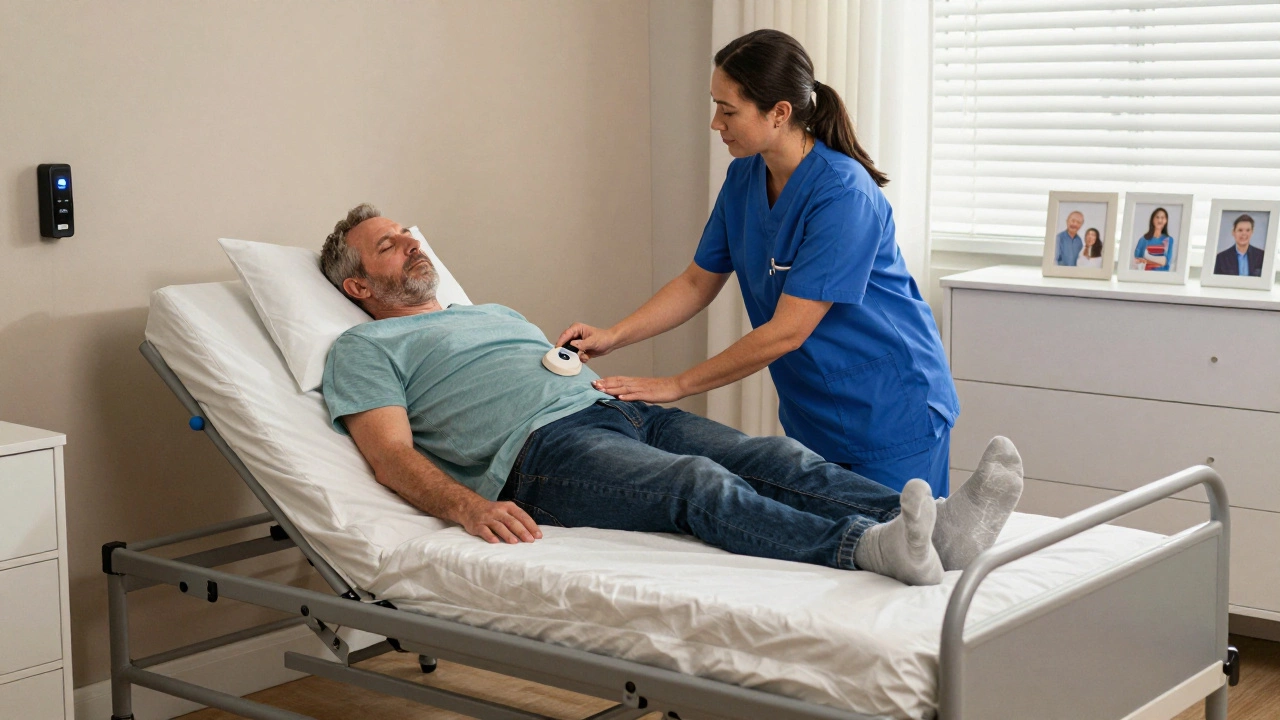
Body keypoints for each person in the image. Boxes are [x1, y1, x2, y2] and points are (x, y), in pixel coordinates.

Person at [316, 204, 1025, 587]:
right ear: (358, 287)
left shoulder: (489, 312)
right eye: (388, 247)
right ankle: (866, 550)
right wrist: (468, 508)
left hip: (611, 406)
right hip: (539, 455)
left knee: (770, 456)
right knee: (697, 485)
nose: (411, 245)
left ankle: (937, 526)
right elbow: (390, 455)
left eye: (409, 234)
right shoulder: (365, 348)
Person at [554, 29, 959, 497]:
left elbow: (789, 329)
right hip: (816, 412)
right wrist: (613, 336)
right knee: (831, 556)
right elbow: (695, 282)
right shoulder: (745, 176)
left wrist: (677, 384)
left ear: (779, 112)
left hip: (891, 410)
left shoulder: (843, 195)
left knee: (904, 553)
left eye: (728, 111)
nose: (715, 123)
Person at [1132, 207, 1173, 272]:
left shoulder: (1169, 240)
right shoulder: (1143, 239)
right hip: (1146, 275)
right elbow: (1137, 260)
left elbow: (1165, 262)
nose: (1159, 220)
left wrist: (1147, 259)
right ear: (1152, 220)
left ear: (1166, 221)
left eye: (1162, 218)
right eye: (1157, 217)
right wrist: (1157, 261)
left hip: (1162, 276)